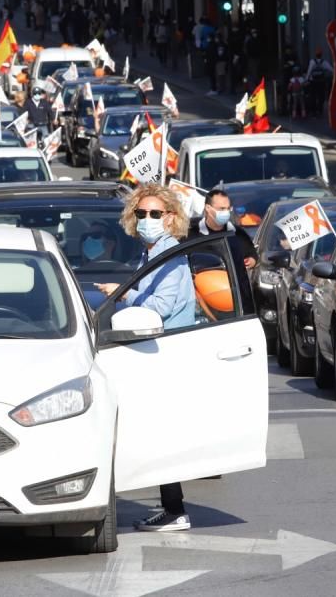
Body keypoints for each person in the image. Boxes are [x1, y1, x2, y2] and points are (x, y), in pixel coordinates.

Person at [95, 183, 194, 533]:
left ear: (171, 218)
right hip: (154, 351)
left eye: (155, 213)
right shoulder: (153, 254)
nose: (148, 219)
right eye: (141, 214)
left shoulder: (170, 257)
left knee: (161, 432)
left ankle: (175, 509)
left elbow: (159, 307)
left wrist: (122, 295)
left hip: (166, 352)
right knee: (159, 431)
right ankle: (172, 506)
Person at [188, 189, 257, 270]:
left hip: (230, 280)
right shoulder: (191, 232)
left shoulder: (237, 233)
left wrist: (252, 261)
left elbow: (252, 254)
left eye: (228, 208)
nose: (226, 212)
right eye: (222, 209)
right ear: (208, 208)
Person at [305, 48, 333, 116]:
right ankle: (320, 110)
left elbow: (309, 71)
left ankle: (314, 111)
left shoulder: (312, 61)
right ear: (321, 54)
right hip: (321, 82)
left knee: (313, 96)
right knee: (321, 96)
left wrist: (306, 79)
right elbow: (331, 70)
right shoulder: (324, 62)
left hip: (313, 82)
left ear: (315, 54)